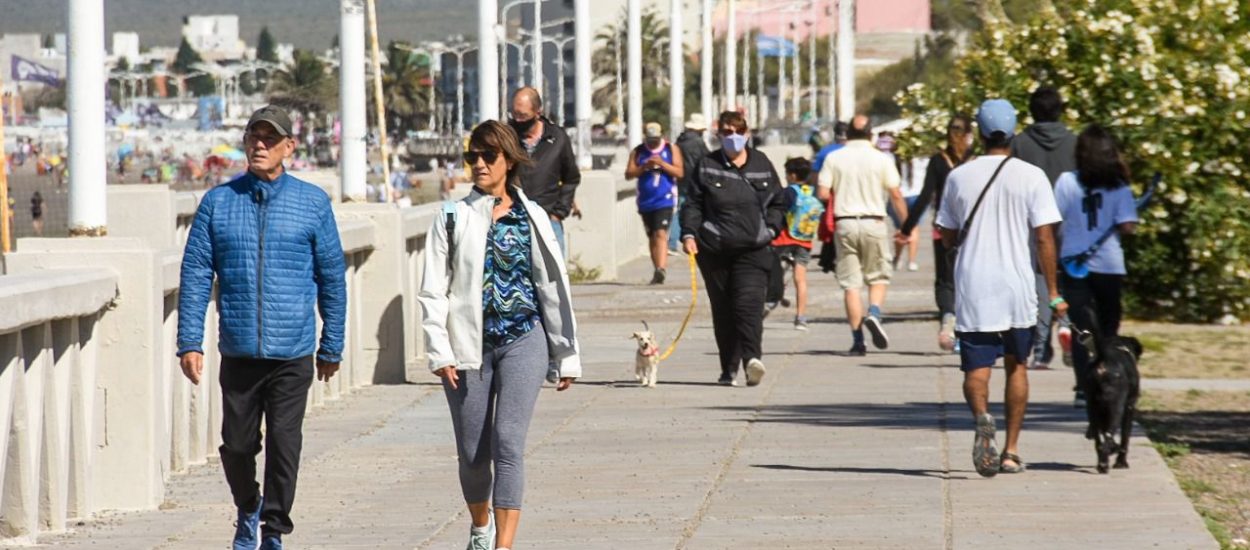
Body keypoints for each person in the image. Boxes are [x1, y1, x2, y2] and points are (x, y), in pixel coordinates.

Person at [176, 105, 346, 550]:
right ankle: (248, 507)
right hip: (239, 350)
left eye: (271, 139)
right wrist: (189, 341)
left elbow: (331, 277)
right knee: (236, 445)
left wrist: (332, 344)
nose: (260, 145)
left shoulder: (312, 203)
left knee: (284, 446)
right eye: (254, 136)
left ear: (289, 147)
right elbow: (195, 274)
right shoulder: (217, 203)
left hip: (292, 352)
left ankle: (274, 531)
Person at [419, 120, 580, 550]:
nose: (479, 164)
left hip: (524, 338)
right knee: (474, 453)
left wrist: (565, 355)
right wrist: (440, 351)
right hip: (469, 347)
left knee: (509, 440)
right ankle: (480, 526)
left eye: (489, 156)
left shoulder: (534, 217)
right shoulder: (451, 216)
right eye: (473, 156)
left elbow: (553, 288)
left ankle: (503, 545)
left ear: (510, 161)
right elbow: (433, 290)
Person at [935, 99, 1066, 477]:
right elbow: (1044, 239)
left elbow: (947, 235)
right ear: (1012, 132)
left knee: (976, 368)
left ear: (978, 131)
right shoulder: (1032, 176)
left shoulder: (960, 176)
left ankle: (981, 416)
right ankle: (1010, 450)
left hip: (974, 284)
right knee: (1017, 365)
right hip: (1017, 285)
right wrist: (1054, 292)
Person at [681, 111, 787, 387]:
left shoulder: (762, 163)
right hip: (714, 250)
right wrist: (689, 234)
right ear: (718, 135)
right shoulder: (706, 165)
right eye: (727, 132)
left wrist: (772, 229)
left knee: (748, 305)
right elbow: (692, 203)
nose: (733, 137)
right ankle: (728, 368)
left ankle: (752, 360)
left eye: (738, 131)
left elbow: (779, 201)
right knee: (724, 309)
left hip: (754, 248)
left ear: (747, 133)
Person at [1055, 125, 1139, 408]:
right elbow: (1128, 226)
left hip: (1074, 264)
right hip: (1109, 265)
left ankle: (1083, 385)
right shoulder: (1120, 187)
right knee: (1108, 328)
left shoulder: (1067, 182)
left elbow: (1055, 219)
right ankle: (1110, 378)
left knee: (1083, 330)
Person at [817, 115, 908, 356]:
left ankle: (858, 341)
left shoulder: (834, 158)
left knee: (851, 284)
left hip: (844, 223)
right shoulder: (881, 159)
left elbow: (823, 193)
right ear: (871, 134)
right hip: (874, 221)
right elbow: (896, 194)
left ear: (847, 134)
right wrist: (905, 225)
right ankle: (875, 313)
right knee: (878, 276)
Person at [895, 115, 975, 351]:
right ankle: (965, 328)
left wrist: (906, 228)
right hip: (971, 230)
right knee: (968, 278)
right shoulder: (975, 161)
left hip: (943, 228)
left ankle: (948, 318)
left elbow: (925, 196)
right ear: (969, 135)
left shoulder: (938, 161)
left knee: (945, 279)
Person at [1012, 86, 1078, 370]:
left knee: (1040, 283)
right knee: (1066, 280)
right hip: (1069, 220)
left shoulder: (1019, 144)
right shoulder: (1075, 143)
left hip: (1033, 222)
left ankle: (1040, 349)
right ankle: (1066, 325)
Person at [510, 87, 580, 255]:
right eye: (515, 115)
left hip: (548, 221)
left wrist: (558, 213)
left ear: (538, 112)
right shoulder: (507, 136)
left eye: (524, 116)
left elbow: (571, 178)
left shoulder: (558, 138)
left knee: (553, 279)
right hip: (512, 222)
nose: (518, 120)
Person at [626, 122, 685, 284]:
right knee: (652, 236)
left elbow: (680, 172)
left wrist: (662, 164)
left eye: (656, 140)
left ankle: (661, 268)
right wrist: (644, 166)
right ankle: (657, 269)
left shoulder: (670, 149)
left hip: (665, 199)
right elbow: (629, 173)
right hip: (645, 201)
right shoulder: (638, 151)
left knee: (660, 233)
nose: (653, 143)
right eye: (650, 140)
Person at [770, 157, 823, 330]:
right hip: (805, 240)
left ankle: (773, 298)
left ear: (792, 175)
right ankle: (801, 318)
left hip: (784, 239)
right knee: (800, 279)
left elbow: (780, 213)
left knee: (774, 271)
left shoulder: (788, 192)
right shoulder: (812, 192)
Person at [673, 114, 710, 253]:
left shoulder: (679, 141)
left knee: (679, 209)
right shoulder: (697, 142)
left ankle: (673, 240)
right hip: (694, 180)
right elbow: (706, 160)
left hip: (681, 179)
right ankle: (683, 238)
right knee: (692, 208)